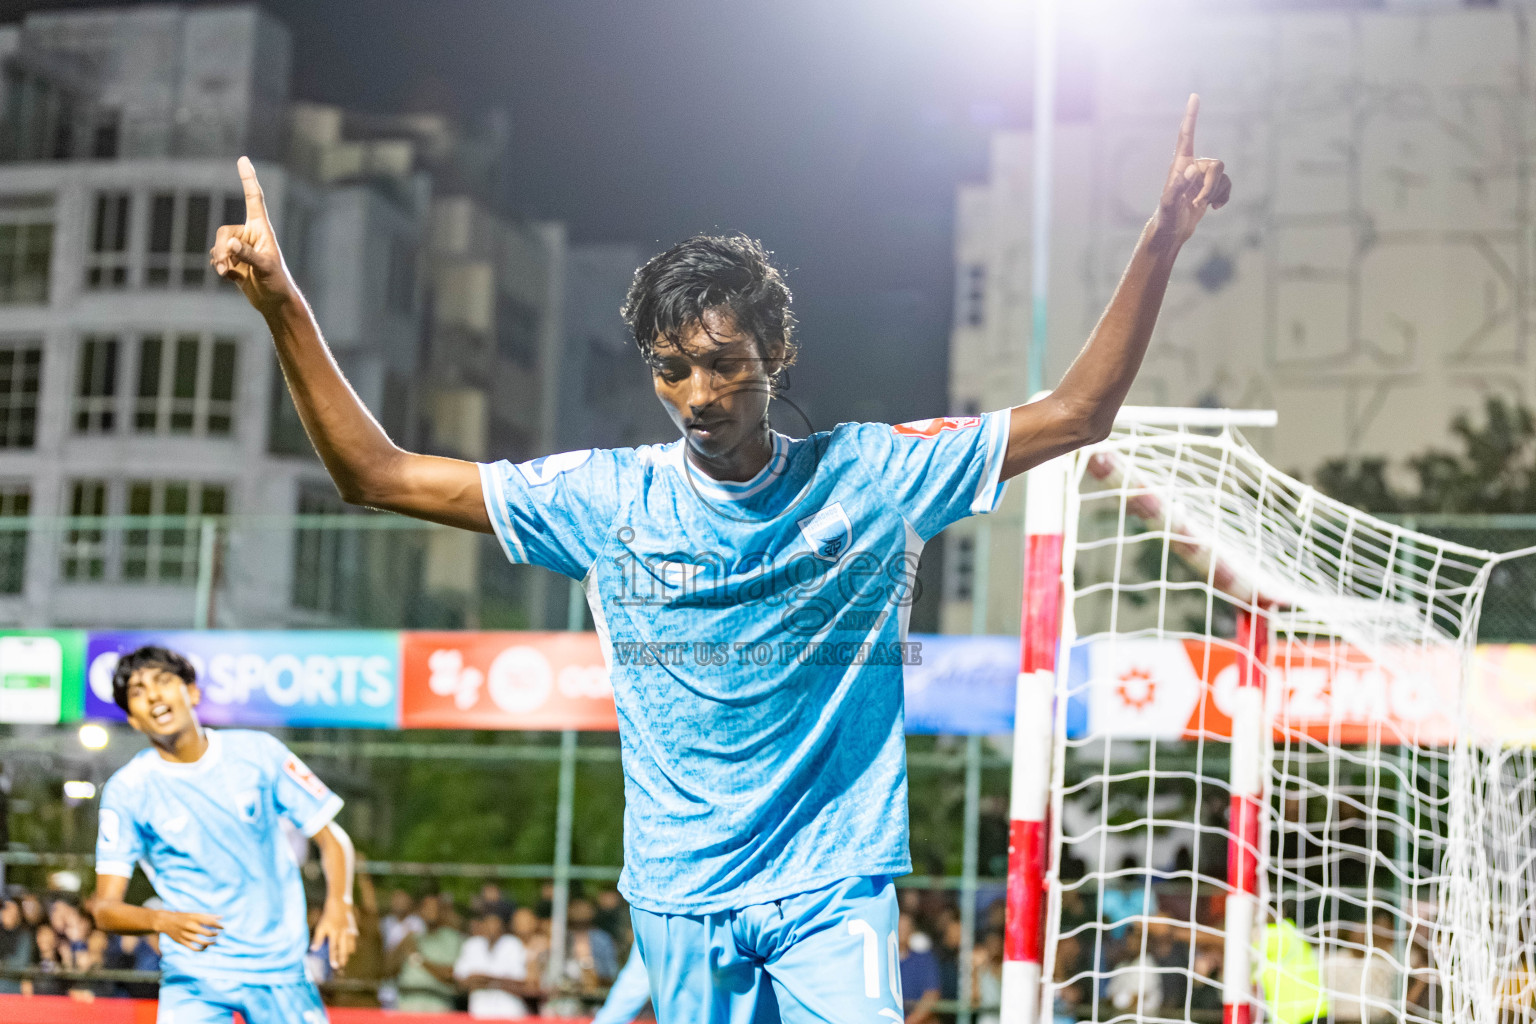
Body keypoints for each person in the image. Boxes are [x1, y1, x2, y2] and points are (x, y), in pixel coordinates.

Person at [210, 91, 1229, 1022]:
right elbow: (375, 474)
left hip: (834, 885)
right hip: (679, 894)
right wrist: (283, 305)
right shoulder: (607, 499)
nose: (699, 392)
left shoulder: (874, 475)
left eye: (724, 364)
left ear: (775, 357)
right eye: (672, 369)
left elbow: (1079, 410)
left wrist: (1162, 236)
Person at [90, 645, 358, 1023]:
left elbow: (332, 838)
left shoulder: (259, 752)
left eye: (163, 681)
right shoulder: (128, 790)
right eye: (137, 691)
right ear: (133, 720)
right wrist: (162, 921)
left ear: (193, 692)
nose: (152, 695)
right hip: (195, 974)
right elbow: (104, 909)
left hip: (279, 968)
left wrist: (340, 903)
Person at [454, 908, 539, 1019]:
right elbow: (461, 981)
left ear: (502, 927)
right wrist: (499, 981)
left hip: (510, 1013)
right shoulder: (472, 944)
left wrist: (483, 979)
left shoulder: (512, 944)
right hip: (478, 1013)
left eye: (495, 924)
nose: (492, 928)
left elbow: (523, 983)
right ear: (482, 925)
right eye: (488, 924)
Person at [390, 893, 463, 1013]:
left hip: (436, 1004)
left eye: (435, 908)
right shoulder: (414, 938)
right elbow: (388, 971)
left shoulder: (451, 938)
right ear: (420, 911)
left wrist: (418, 958)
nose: (430, 912)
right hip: (407, 1003)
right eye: (426, 908)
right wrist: (401, 943)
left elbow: (449, 975)